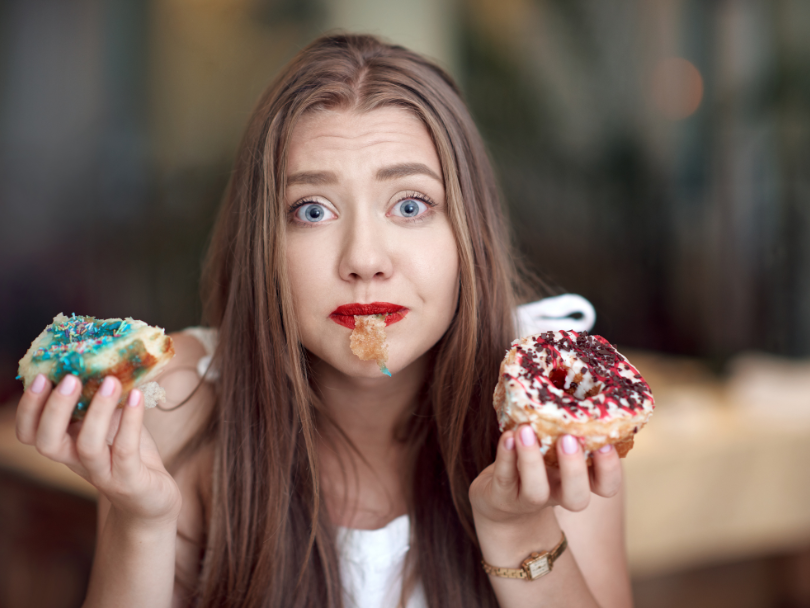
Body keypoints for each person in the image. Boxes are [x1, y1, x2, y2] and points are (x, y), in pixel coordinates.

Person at [15, 34, 632, 608]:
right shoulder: (175, 407)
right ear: (263, 245)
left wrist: (520, 530)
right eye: (312, 210)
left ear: (469, 232)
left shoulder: (552, 423)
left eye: (410, 205)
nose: (364, 258)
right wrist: (141, 522)